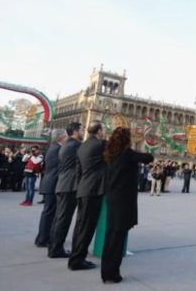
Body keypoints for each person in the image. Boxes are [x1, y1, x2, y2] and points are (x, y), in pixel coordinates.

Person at [101, 127, 153, 284]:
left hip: (112, 197)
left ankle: (106, 272)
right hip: (123, 200)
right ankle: (112, 273)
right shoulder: (127, 154)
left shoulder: (110, 153)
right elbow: (148, 157)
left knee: (111, 235)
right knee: (118, 237)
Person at [69, 121, 106, 271]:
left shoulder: (82, 146)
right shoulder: (101, 145)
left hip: (83, 189)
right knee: (87, 227)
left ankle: (75, 257)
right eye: (103, 130)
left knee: (80, 226)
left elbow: (78, 171)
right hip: (93, 191)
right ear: (99, 131)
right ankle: (77, 261)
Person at [49, 122, 83, 259]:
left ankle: (53, 246)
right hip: (70, 185)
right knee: (64, 219)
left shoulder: (66, 145)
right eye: (82, 129)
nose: (83, 131)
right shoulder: (76, 145)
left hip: (63, 184)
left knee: (59, 217)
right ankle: (56, 249)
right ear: (75, 131)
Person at [35, 129, 66, 248]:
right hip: (53, 183)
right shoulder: (58, 149)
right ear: (61, 137)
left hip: (49, 182)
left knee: (48, 212)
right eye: (66, 136)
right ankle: (43, 238)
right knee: (49, 212)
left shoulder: (53, 147)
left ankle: (42, 237)